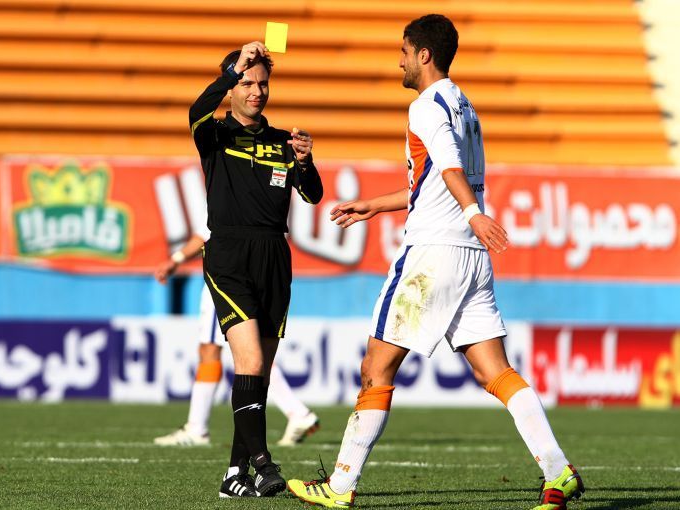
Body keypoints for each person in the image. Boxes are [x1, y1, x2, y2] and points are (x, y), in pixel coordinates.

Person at [286, 14, 584, 510]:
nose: (399, 62)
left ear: (423, 55)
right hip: (470, 258)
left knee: (375, 369)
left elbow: (448, 167)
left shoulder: (425, 106)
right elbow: (431, 181)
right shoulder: (464, 104)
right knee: (495, 372)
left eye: (404, 52)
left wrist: (473, 213)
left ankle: (339, 486)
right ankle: (559, 471)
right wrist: (375, 205)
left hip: (432, 255)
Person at [189, 41, 323, 498]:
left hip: (274, 256)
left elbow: (312, 194)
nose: (256, 91)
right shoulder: (214, 134)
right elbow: (196, 109)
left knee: (258, 373)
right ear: (232, 87)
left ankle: (234, 475)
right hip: (228, 254)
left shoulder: (283, 140)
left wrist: (305, 162)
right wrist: (234, 68)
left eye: (263, 84)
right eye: (247, 83)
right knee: (248, 361)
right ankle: (264, 465)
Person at [151, 229, 320, 448]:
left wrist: (176, 259)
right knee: (250, 351)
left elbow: (206, 232)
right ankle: (297, 412)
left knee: (216, 349)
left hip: (227, 272)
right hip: (259, 264)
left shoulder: (229, 204)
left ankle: (197, 428)